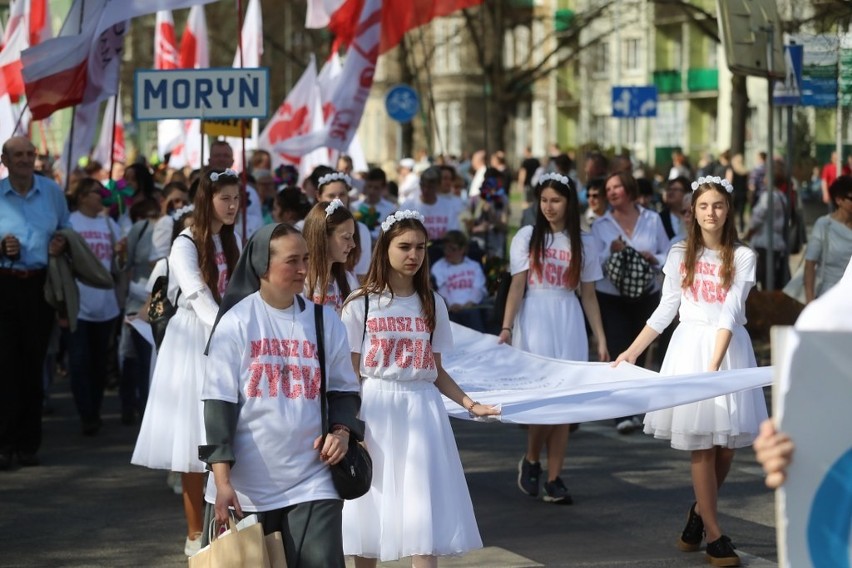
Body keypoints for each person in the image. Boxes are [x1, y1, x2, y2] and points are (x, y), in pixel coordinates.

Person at [613, 176, 768, 568]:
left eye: (717, 205)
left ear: (728, 209)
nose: (711, 213)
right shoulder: (680, 252)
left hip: (728, 348)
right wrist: (632, 352)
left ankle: (699, 513)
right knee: (702, 442)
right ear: (692, 211)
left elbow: (732, 311)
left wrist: (713, 368)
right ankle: (715, 535)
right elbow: (666, 309)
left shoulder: (744, 255)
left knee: (727, 446)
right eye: (703, 206)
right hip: (690, 348)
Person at [340, 210, 499, 567]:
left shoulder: (432, 302)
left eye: (421, 248)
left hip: (422, 410)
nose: (413, 255)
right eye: (404, 246)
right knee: (371, 511)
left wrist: (471, 404)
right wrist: (350, 427)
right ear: (385, 248)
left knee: (422, 516)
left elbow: (436, 369)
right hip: (376, 409)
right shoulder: (359, 304)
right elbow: (349, 376)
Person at [201, 223, 362, 568]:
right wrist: (222, 481)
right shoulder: (236, 324)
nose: (304, 269)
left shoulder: (325, 321)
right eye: (292, 261)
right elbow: (218, 404)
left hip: (314, 479)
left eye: (306, 258)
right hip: (247, 488)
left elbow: (344, 390)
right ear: (262, 265)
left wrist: (342, 432)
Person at [132, 168, 241, 557]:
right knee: (195, 437)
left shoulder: (232, 238)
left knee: (230, 429)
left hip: (226, 334)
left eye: (235, 198)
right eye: (224, 198)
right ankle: (196, 534)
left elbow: (241, 290)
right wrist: (229, 330)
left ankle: (227, 524)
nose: (231, 206)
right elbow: (195, 294)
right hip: (194, 338)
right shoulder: (185, 242)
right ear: (206, 199)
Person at [499, 173, 608, 504]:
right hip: (534, 318)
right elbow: (517, 285)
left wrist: (600, 339)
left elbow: (588, 294)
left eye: (556, 200)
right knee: (543, 399)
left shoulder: (584, 242)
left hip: (568, 317)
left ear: (568, 204)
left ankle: (555, 477)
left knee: (565, 402)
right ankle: (532, 458)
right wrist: (506, 327)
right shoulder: (527, 236)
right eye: (544, 200)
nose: (549, 207)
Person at [0, 136, 71, 470]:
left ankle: (28, 444)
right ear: (6, 159)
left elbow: (66, 229)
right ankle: (5, 443)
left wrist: (60, 242)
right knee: (5, 368)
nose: (26, 159)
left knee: (33, 366)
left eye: (30, 153)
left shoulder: (52, 192)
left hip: (40, 288)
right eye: (19, 155)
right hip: (4, 284)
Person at [591, 172, 670, 433]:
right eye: (608, 188)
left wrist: (652, 257)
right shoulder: (600, 224)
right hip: (612, 295)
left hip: (645, 293)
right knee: (618, 347)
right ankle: (621, 412)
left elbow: (667, 251)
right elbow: (594, 260)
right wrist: (609, 251)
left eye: (617, 187)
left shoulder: (652, 218)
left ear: (629, 190)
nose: (612, 192)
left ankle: (636, 405)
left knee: (641, 350)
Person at [66, 178, 125, 436]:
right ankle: (86, 413)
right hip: (78, 303)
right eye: (94, 193)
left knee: (100, 362)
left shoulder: (108, 223)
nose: (100, 197)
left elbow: (118, 264)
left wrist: (120, 251)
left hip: (105, 303)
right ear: (81, 197)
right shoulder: (70, 222)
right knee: (79, 361)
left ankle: (96, 408)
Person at [303, 199, 359, 314]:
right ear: (323, 236)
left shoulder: (348, 281)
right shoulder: (300, 281)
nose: (353, 244)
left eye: (352, 236)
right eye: (346, 237)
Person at [803, 175, 852, 303]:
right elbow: (810, 264)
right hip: (829, 295)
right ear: (839, 200)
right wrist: (809, 301)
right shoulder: (824, 225)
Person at [316, 171, 372, 280]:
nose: (337, 200)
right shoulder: (304, 226)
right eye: (331, 195)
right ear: (318, 196)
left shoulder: (361, 230)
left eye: (342, 194)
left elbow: (361, 275)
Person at [431, 230, 488, 332]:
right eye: (445, 248)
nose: (447, 252)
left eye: (453, 249)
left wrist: (471, 302)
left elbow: (478, 288)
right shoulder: (439, 267)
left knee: (473, 316)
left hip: (472, 307)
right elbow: (441, 289)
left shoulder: (473, 266)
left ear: (463, 249)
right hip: (450, 310)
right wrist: (451, 304)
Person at [745, 178, 788, 290]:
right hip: (777, 242)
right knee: (768, 278)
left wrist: (749, 233)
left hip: (764, 242)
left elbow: (758, 217)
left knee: (755, 278)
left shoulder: (768, 196)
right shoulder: (782, 196)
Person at [351, 168, 396, 240]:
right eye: (369, 186)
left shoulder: (390, 209)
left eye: (376, 188)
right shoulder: (354, 207)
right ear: (365, 185)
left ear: (383, 188)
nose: (372, 191)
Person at [659, 177, 690, 241]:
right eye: (669, 189)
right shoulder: (660, 218)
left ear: (686, 193)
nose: (670, 192)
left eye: (675, 189)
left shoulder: (695, 216)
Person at [725, 154, 749, 233]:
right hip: (743, 194)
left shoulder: (731, 170)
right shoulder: (745, 171)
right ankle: (741, 231)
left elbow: (728, 182)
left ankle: (732, 230)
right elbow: (748, 184)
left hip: (734, 194)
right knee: (741, 214)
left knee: (732, 214)